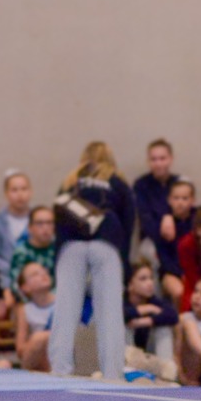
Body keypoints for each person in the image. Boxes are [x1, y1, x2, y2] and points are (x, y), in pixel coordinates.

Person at [48, 141, 137, 381]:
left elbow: (59, 219)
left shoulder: (70, 181)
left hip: (71, 244)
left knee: (65, 308)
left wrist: (57, 260)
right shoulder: (117, 182)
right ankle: (112, 373)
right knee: (110, 311)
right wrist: (125, 266)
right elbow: (129, 224)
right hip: (106, 242)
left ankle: (60, 368)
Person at [122, 260, 181, 380]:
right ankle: (126, 369)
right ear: (130, 285)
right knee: (125, 324)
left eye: (151, 278)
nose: (149, 283)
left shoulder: (154, 302)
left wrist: (146, 321)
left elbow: (173, 315)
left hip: (148, 356)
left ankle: (167, 374)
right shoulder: (122, 301)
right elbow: (122, 314)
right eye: (143, 279)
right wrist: (145, 309)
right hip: (126, 354)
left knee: (163, 327)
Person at [132, 139, 178, 263]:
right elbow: (145, 218)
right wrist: (166, 217)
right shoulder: (141, 185)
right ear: (148, 161)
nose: (158, 164)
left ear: (171, 159)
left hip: (178, 235)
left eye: (162, 158)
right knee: (151, 253)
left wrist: (170, 217)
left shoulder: (180, 182)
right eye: (154, 159)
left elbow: (186, 214)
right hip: (152, 239)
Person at [0, 171, 35, 293]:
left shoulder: (39, 219)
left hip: (36, 278)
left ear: (31, 192)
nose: (20, 194)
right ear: (6, 194)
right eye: (14, 190)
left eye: (24, 189)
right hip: (6, 280)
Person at [154, 178, 197, 305]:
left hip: (194, 269)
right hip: (171, 272)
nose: (180, 202)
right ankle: (179, 317)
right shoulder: (163, 224)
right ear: (169, 200)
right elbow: (163, 257)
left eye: (185, 198)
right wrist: (180, 273)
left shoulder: (198, 219)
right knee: (179, 292)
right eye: (176, 198)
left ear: (193, 200)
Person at [12, 260, 56, 372]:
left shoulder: (62, 302)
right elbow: (20, 349)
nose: (43, 274)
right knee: (38, 338)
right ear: (25, 287)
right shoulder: (25, 310)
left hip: (60, 353)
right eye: (35, 274)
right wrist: (37, 343)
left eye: (44, 271)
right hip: (38, 362)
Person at [10, 206, 59, 300]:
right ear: (30, 228)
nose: (45, 228)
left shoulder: (60, 249)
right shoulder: (22, 252)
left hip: (59, 300)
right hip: (33, 301)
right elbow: (16, 286)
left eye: (49, 223)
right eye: (39, 223)